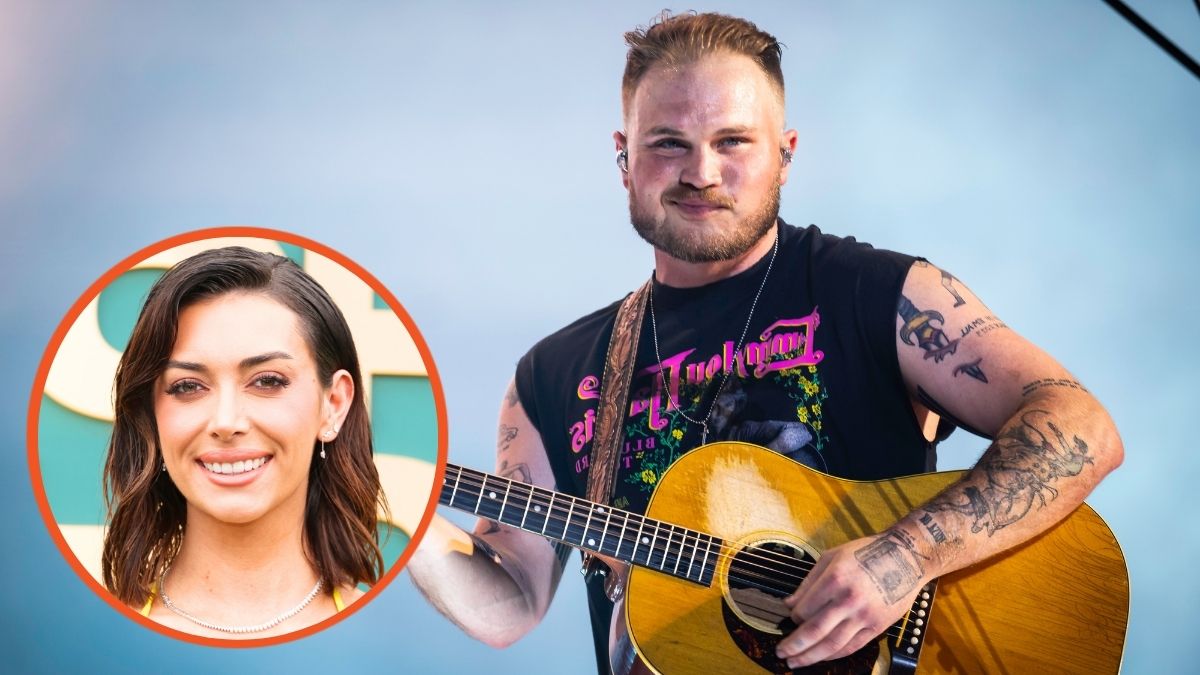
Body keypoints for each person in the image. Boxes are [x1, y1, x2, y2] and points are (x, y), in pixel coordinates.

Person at [408, 11, 1122, 673]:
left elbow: (1080, 423)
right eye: (668, 144)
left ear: (785, 154)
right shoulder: (555, 374)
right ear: (624, 158)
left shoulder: (880, 295)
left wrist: (906, 555)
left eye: (733, 142)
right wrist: (389, 507)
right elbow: (509, 599)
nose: (701, 172)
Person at [102, 245, 388, 638]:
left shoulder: (385, 639)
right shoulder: (93, 638)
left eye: (268, 381)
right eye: (187, 386)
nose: (226, 422)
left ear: (333, 405)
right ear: (151, 418)